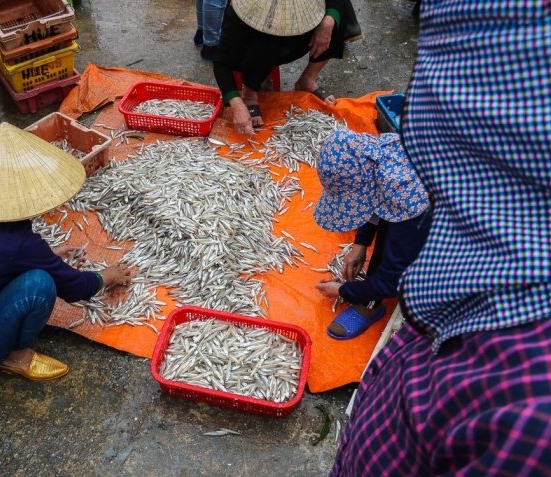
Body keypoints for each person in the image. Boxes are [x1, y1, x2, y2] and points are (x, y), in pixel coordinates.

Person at [330, 1, 551, 475]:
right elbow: (377, 210)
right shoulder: (401, 163)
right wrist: (360, 242)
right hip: (391, 413)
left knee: (388, 273)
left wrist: (350, 291)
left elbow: (392, 276)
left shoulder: (527, 417)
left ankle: (366, 310)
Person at [0, 123, 131, 381]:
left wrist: (43, 256)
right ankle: (14, 356)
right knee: (41, 284)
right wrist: (109, 274)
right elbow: (76, 288)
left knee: (34, 272)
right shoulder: (14, 241)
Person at [313, 130, 431, 339]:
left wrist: (343, 291)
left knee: (403, 251)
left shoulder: (409, 205)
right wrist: (361, 243)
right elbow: (376, 202)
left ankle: (372, 302)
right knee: (393, 223)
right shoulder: (383, 153)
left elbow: (392, 281)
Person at [213, 0, 346, 135]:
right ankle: (249, 94)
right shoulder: (239, 11)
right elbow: (221, 63)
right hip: (259, 47)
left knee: (335, 18)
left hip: (295, 39)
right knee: (263, 46)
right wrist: (237, 105)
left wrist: (328, 22)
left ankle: (307, 80)